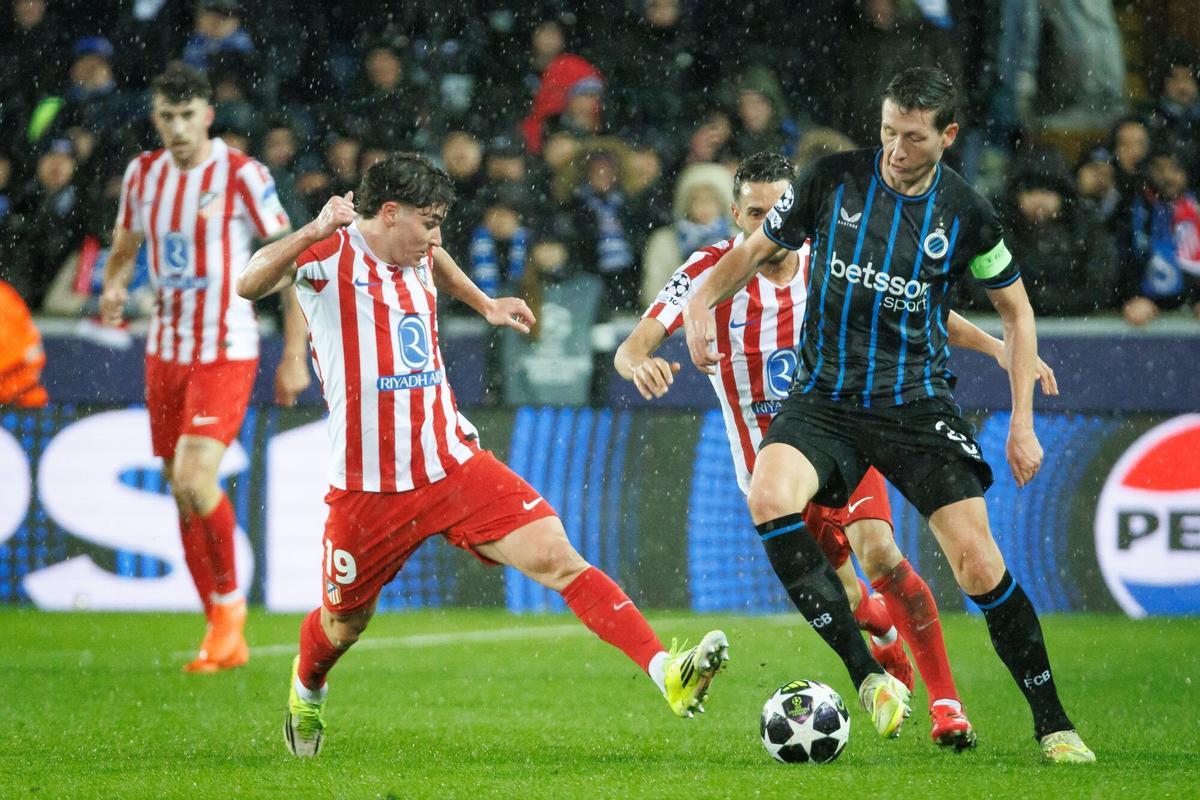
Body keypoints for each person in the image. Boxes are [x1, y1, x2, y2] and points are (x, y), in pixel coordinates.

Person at [235, 153, 729, 758]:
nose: (437, 237)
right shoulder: (328, 255)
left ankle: (665, 672)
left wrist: (485, 303)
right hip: (369, 486)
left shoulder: (415, 252)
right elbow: (250, 281)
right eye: (428, 221)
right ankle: (307, 689)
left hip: (452, 461)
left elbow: (437, 262)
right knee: (343, 626)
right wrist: (312, 229)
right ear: (388, 214)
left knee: (558, 558)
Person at [682, 68, 1094, 764]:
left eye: (913, 137)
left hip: (914, 404)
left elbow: (1017, 310)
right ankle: (868, 673)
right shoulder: (831, 181)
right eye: (887, 132)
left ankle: (1053, 722)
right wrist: (699, 303)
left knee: (976, 564)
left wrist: (1021, 421)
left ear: (947, 135)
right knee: (767, 495)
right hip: (826, 400)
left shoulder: (967, 214)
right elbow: (753, 252)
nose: (896, 150)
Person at [620, 151, 1057, 748]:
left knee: (880, 554)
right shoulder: (708, 271)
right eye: (753, 213)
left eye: (778, 209)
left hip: (845, 429)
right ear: (734, 214)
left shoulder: (827, 254)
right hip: (778, 467)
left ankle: (946, 706)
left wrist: (998, 349)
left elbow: (924, 308)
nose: (766, 224)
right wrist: (639, 362)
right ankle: (882, 644)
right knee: (855, 599)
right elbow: (631, 346)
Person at [99, 64, 310, 673]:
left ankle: (230, 610)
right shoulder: (143, 175)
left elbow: (289, 262)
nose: (177, 128)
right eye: (166, 117)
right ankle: (219, 624)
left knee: (195, 480)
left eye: (187, 115)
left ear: (208, 116)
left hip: (225, 347)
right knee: (180, 493)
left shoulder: (244, 175)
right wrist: (114, 287)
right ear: (156, 118)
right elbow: (124, 244)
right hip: (165, 351)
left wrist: (293, 355)